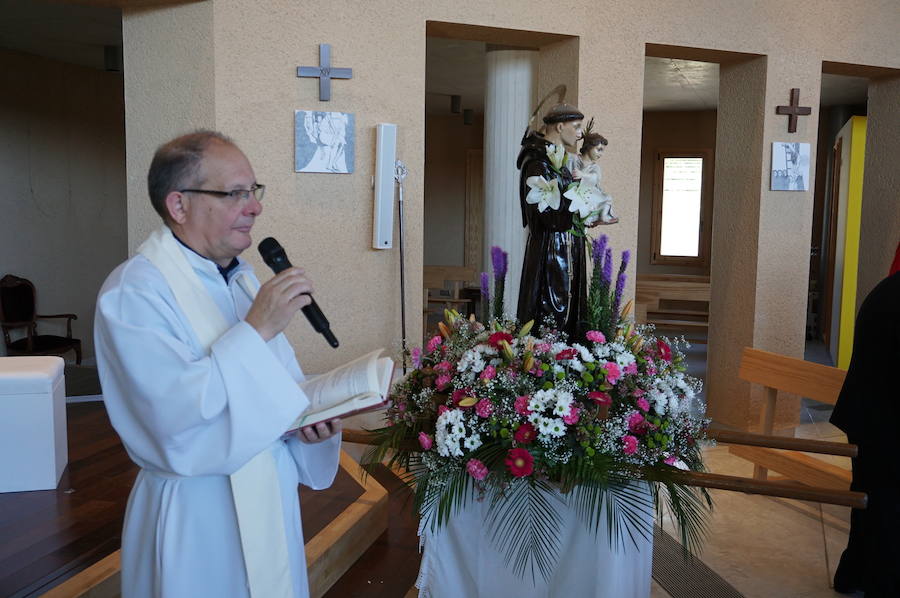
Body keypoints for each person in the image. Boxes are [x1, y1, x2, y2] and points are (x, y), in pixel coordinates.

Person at [94, 130, 342, 598]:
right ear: (179, 205)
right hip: (197, 514)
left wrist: (311, 424)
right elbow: (171, 416)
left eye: (254, 191)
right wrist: (256, 329)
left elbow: (277, 390)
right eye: (235, 193)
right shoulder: (135, 292)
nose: (255, 207)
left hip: (267, 494)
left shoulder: (243, 280)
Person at [829, 265, 900, 596]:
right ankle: (878, 583)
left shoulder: (886, 288)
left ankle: (852, 574)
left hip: (866, 416)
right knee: (887, 513)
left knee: (868, 503)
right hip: (887, 422)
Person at [516, 102, 588, 340]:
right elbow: (547, 216)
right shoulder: (538, 162)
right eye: (576, 127)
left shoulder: (559, 159)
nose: (580, 134)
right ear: (559, 126)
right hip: (551, 249)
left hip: (566, 243)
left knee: (569, 314)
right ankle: (549, 359)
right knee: (551, 312)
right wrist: (574, 197)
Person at [571, 129, 617, 225]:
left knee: (607, 199)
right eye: (599, 150)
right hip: (574, 193)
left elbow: (595, 177)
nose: (601, 154)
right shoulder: (574, 159)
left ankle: (603, 216)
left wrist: (583, 175)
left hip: (590, 194)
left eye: (602, 151)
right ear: (589, 147)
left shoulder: (595, 167)